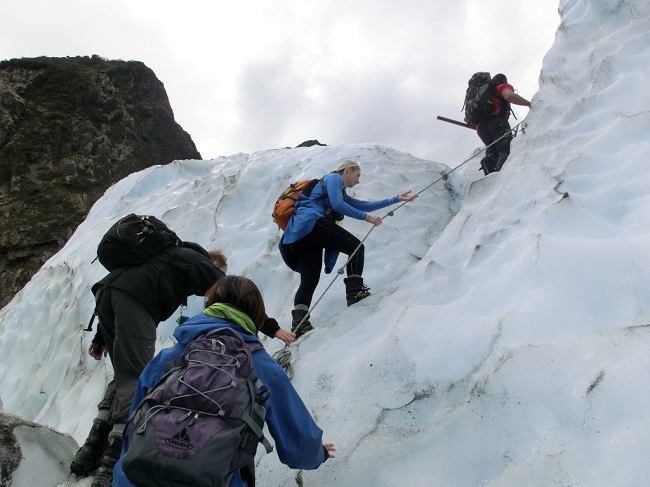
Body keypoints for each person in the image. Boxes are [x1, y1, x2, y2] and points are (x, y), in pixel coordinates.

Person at [112, 275, 336, 487]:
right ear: (255, 314)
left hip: (136, 475)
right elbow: (300, 446)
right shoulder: (263, 368)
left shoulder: (169, 358)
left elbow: (135, 423)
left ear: (210, 305)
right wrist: (319, 454)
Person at [71, 242, 226, 487]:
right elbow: (230, 291)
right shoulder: (194, 259)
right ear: (214, 264)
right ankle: (111, 462)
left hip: (107, 294)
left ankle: (91, 449)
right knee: (136, 376)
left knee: (123, 375)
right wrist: (267, 325)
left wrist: (102, 337)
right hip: (133, 302)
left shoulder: (161, 257)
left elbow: (122, 290)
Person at [279, 160, 418, 336]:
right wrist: (367, 218)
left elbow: (362, 204)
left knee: (310, 279)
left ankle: (299, 324)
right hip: (311, 221)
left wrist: (396, 199)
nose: (358, 181)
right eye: (357, 175)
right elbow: (338, 205)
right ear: (349, 169)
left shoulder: (337, 189)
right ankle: (354, 292)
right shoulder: (334, 178)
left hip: (301, 232)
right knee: (356, 247)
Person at [209, 249, 296, 346]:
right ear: (215, 264)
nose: (223, 277)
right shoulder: (221, 287)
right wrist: (275, 329)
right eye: (223, 273)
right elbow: (248, 307)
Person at [468, 73, 531, 175]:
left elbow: (467, 119)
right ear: (504, 82)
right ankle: (499, 178)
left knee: (493, 153)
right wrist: (529, 104)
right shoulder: (501, 87)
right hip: (497, 123)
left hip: (481, 129)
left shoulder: (480, 94)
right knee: (505, 150)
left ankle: (490, 171)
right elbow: (509, 96)